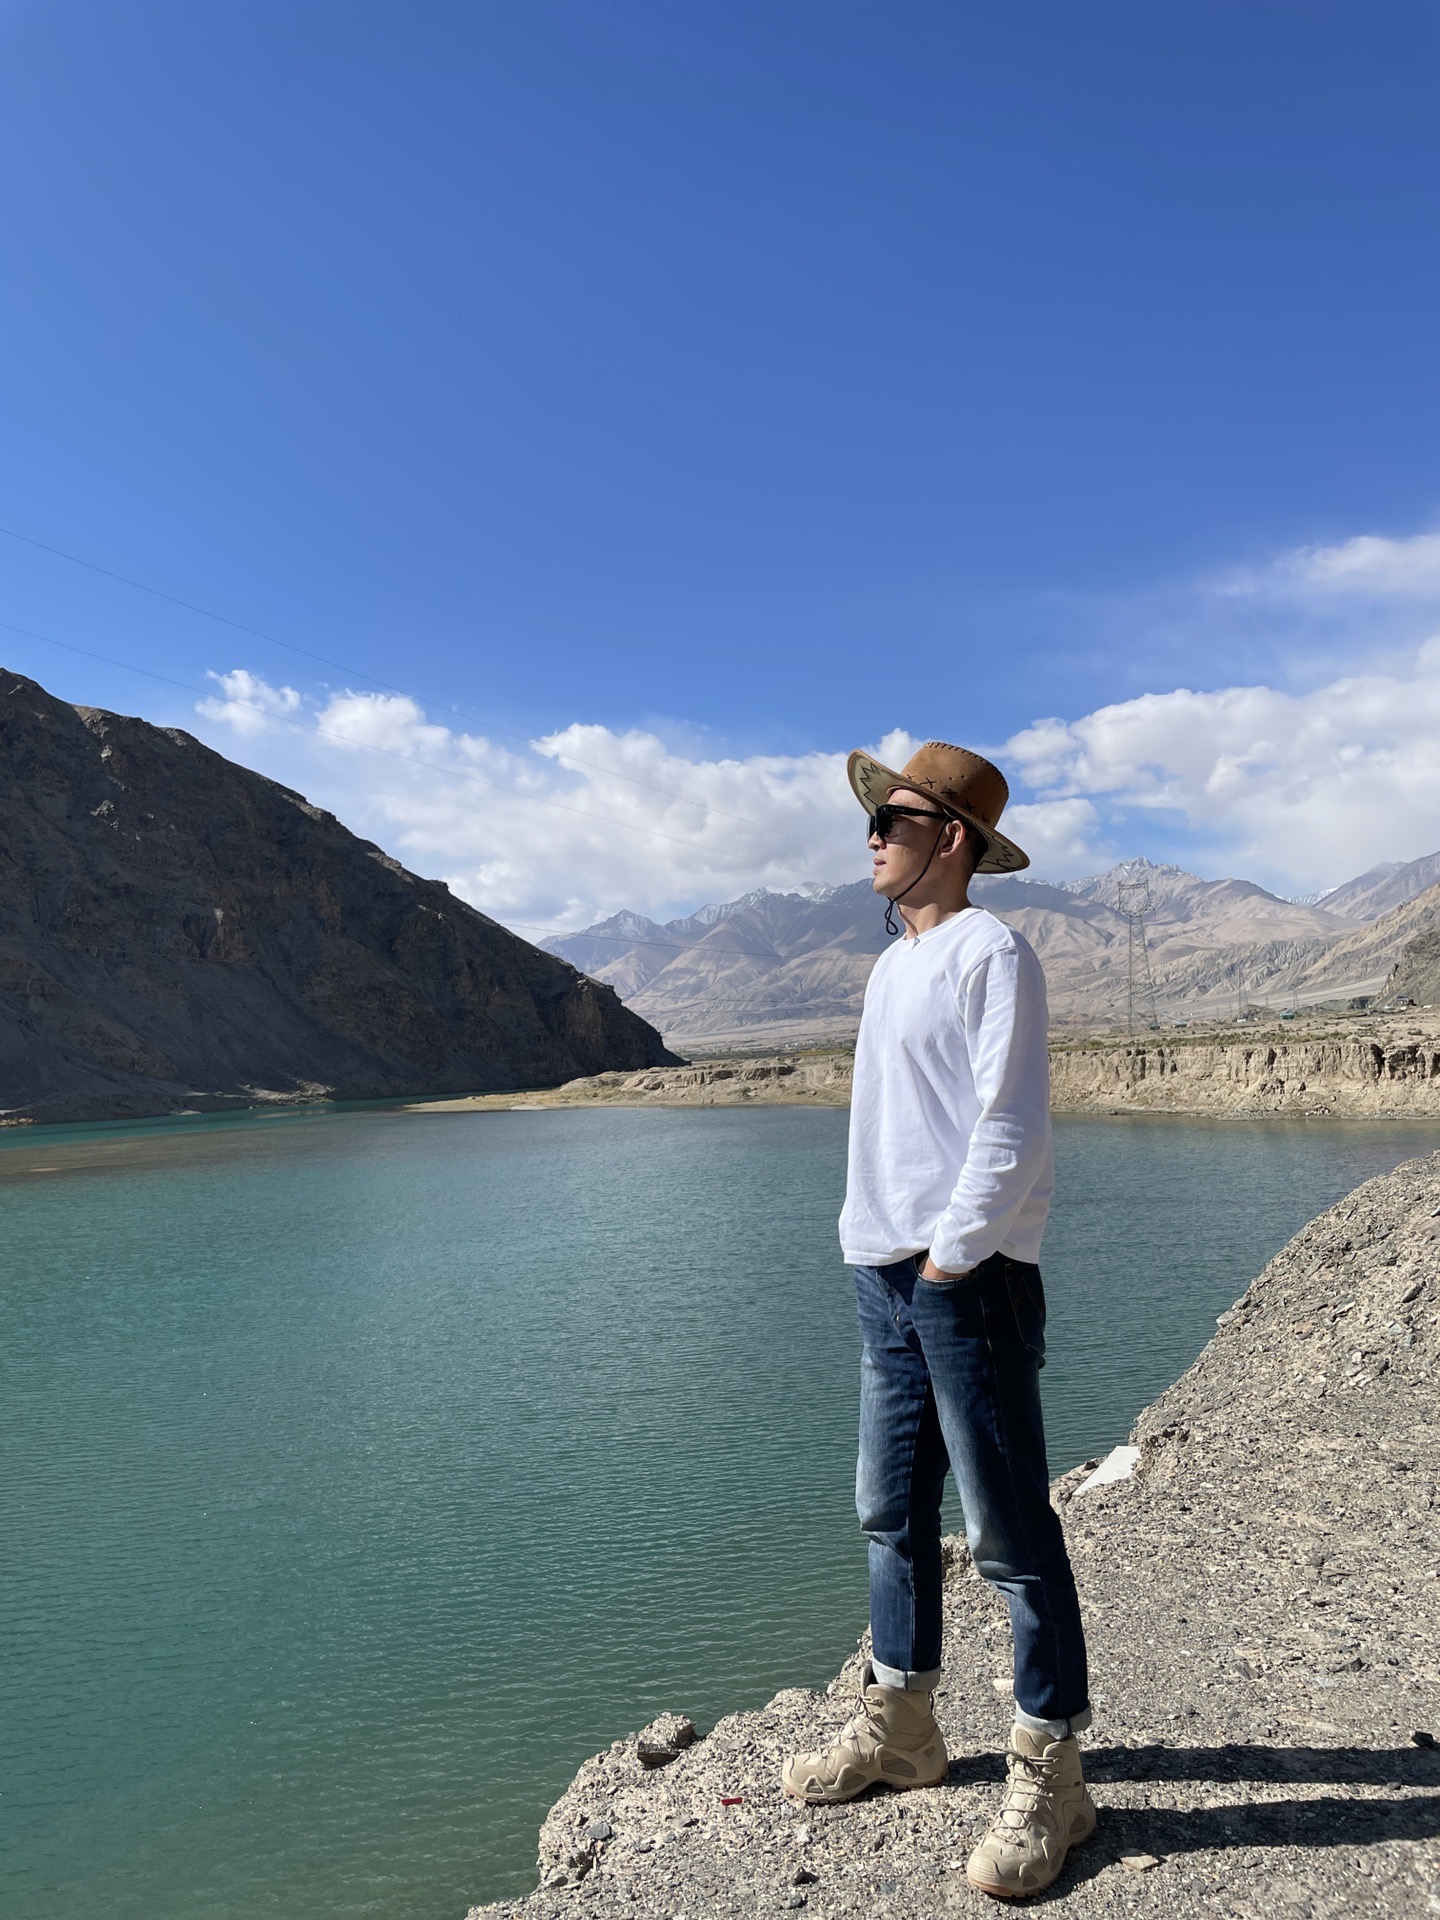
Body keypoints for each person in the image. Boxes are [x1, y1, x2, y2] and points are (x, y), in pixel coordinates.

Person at [781, 741, 1096, 1901]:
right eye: (873, 820)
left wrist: (951, 1260)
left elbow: (1009, 1125)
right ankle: (904, 1726)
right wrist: (879, 1250)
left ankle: (1054, 1770)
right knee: (890, 1512)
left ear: (950, 837)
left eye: (894, 819)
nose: (871, 836)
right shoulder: (891, 965)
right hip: (884, 1273)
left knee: (1009, 1532)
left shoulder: (991, 953)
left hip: (966, 1279)